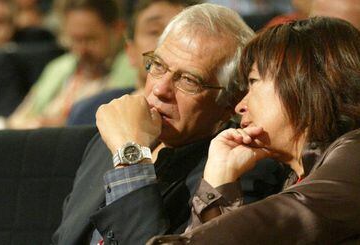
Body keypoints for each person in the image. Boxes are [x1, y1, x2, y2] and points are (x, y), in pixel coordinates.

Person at [52, 4, 285, 245]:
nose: (160, 89)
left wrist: (131, 158)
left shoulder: (239, 171)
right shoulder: (110, 138)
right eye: (158, 66)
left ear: (230, 102)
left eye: (188, 80)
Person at [148, 17, 360, 244]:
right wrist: (220, 181)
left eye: (253, 81)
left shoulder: (355, 152)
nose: (240, 106)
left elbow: (291, 217)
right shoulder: (298, 176)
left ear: (303, 84)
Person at [67, 0, 196, 126]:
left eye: (181, 32)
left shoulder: (204, 127)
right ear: (130, 51)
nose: (168, 41)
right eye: (155, 31)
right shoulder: (89, 113)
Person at [7, 0, 123, 129]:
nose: (81, 50)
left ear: (117, 29)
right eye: (75, 40)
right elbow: (17, 118)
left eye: (90, 39)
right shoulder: (59, 67)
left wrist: (61, 125)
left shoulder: (131, 69)